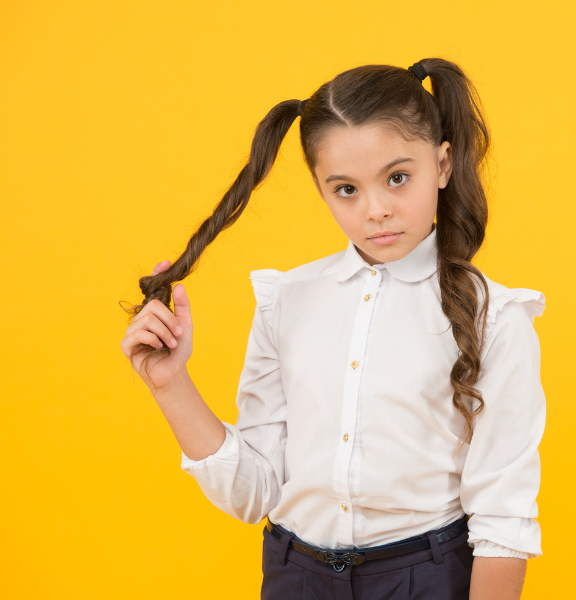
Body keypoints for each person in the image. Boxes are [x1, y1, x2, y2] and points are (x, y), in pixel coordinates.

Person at [120, 58, 546, 600]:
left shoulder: (497, 319)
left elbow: (503, 521)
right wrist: (170, 384)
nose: (376, 210)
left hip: (427, 579)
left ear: (442, 164)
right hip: (295, 577)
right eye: (346, 189)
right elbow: (255, 495)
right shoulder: (286, 300)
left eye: (397, 178)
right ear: (321, 190)